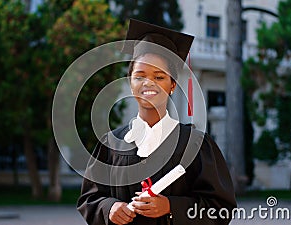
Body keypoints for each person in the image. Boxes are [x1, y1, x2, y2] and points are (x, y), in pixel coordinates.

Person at [77, 19, 236, 225]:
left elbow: (220, 209)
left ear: (172, 85)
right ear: (130, 82)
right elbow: (89, 199)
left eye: (159, 77)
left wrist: (171, 207)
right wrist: (109, 208)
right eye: (140, 75)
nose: (148, 83)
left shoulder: (195, 145)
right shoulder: (112, 144)